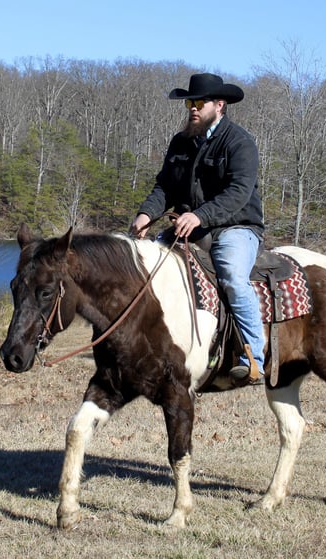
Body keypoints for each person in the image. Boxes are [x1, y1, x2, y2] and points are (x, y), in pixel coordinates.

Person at [130, 73, 266, 385]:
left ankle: (253, 359)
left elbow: (238, 192)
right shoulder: (181, 141)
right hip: (190, 225)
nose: (192, 108)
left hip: (236, 226)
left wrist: (200, 216)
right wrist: (145, 215)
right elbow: (164, 187)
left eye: (198, 102)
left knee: (232, 275)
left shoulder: (239, 142)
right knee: (145, 268)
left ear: (220, 105)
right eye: (190, 102)